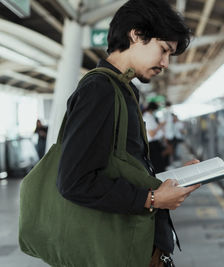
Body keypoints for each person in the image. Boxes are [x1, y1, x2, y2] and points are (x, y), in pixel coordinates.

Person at [56, 0, 200, 266]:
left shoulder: (123, 90)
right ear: (136, 34)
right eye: (164, 50)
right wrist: (154, 198)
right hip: (118, 251)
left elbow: (122, 167)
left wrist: (173, 179)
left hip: (135, 246)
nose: (166, 63)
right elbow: (74, 181)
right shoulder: (100, 90)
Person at [143, 102, 167, 173]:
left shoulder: (151, 117)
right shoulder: (146, 118)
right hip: (152, 144)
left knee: (160, 163)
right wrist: (160, 125)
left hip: (155, 143)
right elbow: (152, 134)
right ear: (152, 109)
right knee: (157, 165)